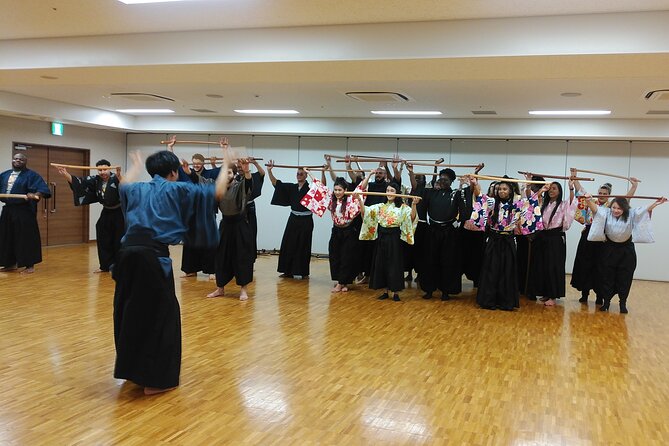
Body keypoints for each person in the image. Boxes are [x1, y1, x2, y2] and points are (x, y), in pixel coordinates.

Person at [112, 150, 225, 395]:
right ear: (174, 172)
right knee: (160, 317)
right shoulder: (176, 189)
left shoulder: (137, 188)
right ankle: (155, 380)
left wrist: (136, 164)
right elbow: (217, 191)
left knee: (130, 312)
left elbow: (123, 184)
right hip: (151, 258)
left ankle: (133, 372)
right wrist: (227, 164)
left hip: (126, 256)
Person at [468, 175, 547, 310]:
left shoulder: (517, 204)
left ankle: (506, 302)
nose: (502, 191)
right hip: (494, 240)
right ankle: (489, 300)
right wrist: (475, 183)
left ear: (510, 191)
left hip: (509, 240)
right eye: (500, 189)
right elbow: (480, 197)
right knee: (491, 270)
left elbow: (531, 202)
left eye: (505, 189)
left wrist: (540, 191)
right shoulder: (492, 202)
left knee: (507, 270)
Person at [585, 194, 667, 313]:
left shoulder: (631, 214)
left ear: (624, 209)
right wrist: (588, 199)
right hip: (609, 249)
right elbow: (595, 209)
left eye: (619, 208)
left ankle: (622, 303)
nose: (616, 211)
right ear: (610, 207)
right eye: (614, 208)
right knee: (607, 276)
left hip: (626, 250)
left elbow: (645, 209)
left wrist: (657, 202)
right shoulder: (606, 213)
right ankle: (606, 302)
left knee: (625, 277)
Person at [570, 170, 639, 304]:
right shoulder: (592, 202)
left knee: (601, 268)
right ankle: (585, 294)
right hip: (588, 238)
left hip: (603, 241)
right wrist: (575, 176)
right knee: (585, 265)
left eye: (604, 194)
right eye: (600, 193)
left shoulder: (611, 207)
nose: (601, 195)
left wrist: (634, 186)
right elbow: (580, 191)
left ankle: (600, 296)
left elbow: (626, 200)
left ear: (609, 195)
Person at [355, 172, 419, 301]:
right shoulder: (380, 206)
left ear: (397, 193)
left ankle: (395, 292)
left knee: (394, 264)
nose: (389, 192)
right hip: (382, 237)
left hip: (394, 237)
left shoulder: (402, 207)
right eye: (387, 190)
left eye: (392, 190)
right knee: (382, 263)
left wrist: (414, 205)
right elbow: (365, 212)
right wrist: (360, 199)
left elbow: (412, 218)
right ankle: (385, 290)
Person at [301, 170, 366, 292]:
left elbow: (361, 187)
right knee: (335, 255)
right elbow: (319, 187)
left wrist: (370, 175)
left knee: (347, 257)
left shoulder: (351, 199)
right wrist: (309, 173)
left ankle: (343, 282)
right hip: (336, 231)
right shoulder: (331, 199)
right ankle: (340, 281)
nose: (337, 192)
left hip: (349, 231)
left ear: (345, 190)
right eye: (335, 190)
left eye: (340, 190)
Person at [57, 160, 124, 273]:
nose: (102, 172)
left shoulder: (116, 178)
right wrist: (65, 174)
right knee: (103, 237)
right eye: (100, 170)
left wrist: (119, 176)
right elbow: (79, 182)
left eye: (105, 169)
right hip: (106, 211)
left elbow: (126, 187)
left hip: (119, 212)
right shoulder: (96, 180)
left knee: (118, 239)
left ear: (110, 169)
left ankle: (119, 266)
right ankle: (105, 266)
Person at [411, 165, 463, 301]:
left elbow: (463, 208)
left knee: (447, 261)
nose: (443, 181)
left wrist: (464, 184)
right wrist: (412, 173)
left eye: (446, 180)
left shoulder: (455, 194)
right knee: (429, 260)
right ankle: (429, 289)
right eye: (441, 179)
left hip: (448, 232)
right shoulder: (431, 192)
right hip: (432, 231)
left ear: (451, 182)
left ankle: (446, 291)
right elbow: (419, 191)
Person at [206, 157, 255, 301]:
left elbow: (248, 184)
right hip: (225, 225)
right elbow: (200, 181)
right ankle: (220, 288)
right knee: (221, 256)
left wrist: (246, 171)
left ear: (234, 174)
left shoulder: (239, 186)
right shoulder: (218, 187)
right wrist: (188, 172)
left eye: (229, 173)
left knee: (242, 257)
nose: (226, 176)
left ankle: (243, 290)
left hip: (240, 226)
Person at [526, 180, 578, 307]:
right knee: (543, 265)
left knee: (553, 266)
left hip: (555, 237)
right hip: (543, 236)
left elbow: (572, 202)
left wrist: (571, 189)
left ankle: (553, 295)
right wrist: (529, 184)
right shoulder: (544, 203)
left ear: (560, 191)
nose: (551, 190)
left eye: (555, 188)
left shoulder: (563, 204)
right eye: (550, 188)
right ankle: (546, 293)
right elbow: (530, 199)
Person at [0, 152, 51, 274]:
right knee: (6, 236)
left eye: (21, 159)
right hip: (8, 210)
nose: (17, 161)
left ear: (25, 162)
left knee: (25, 238)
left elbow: (43, 190)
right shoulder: (5, 174)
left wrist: (36, 195)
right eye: (15, 159)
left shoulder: (32, 175)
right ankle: (10, 263)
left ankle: (29, 265)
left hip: (24, 211)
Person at [268, 161, 313, 279]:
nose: (299, 175)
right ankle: (287, 271)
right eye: (298, 174)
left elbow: (322, 186)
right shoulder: (292, 188)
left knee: (304, 245)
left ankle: (304, 272)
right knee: (289, 244)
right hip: (293, 219)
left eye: (301, 174)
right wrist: (269, 171)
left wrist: (323, 172)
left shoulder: (310, 188)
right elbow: (276, 184)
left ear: (306, 175)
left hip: (306, 220)